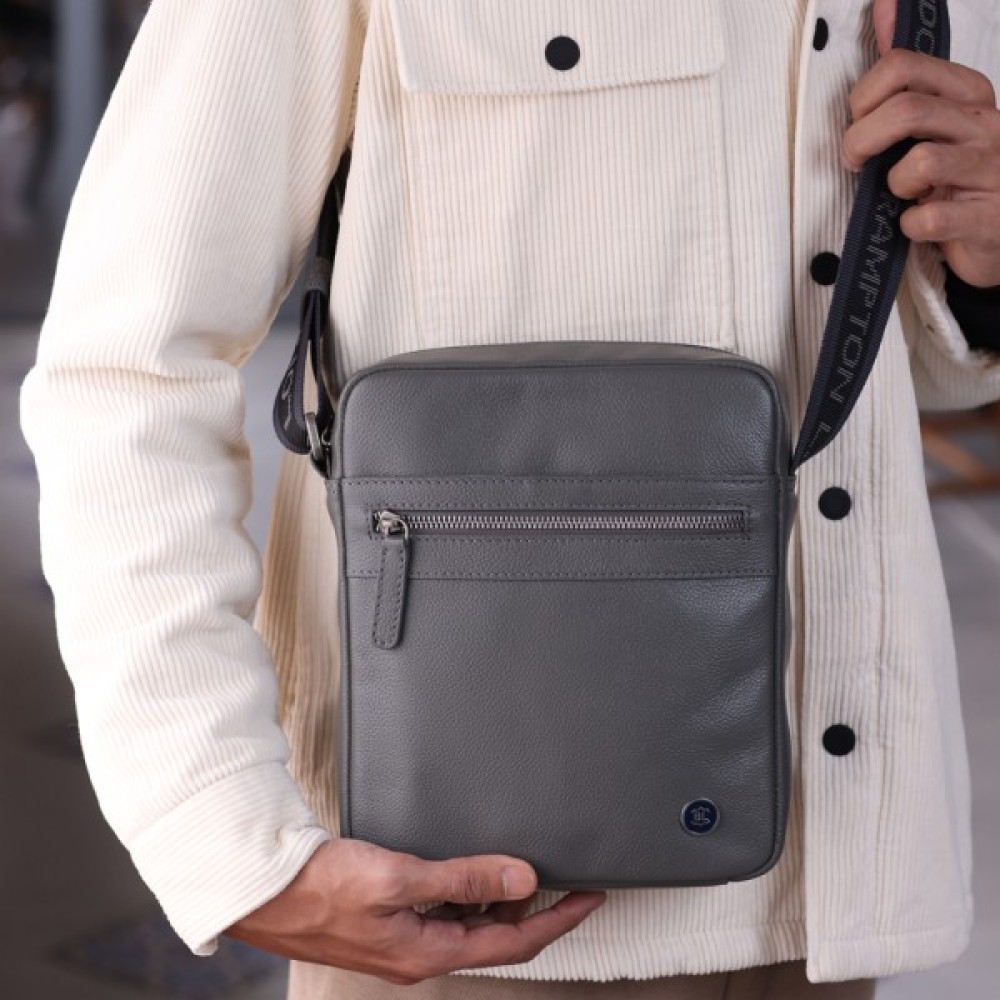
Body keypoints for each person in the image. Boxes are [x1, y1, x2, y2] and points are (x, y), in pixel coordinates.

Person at [17, 0, 1000, 997]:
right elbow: (126, 364)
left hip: (842, 872)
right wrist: (224, 832)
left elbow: (912, 370)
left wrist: (982, 265)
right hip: (469, 905)